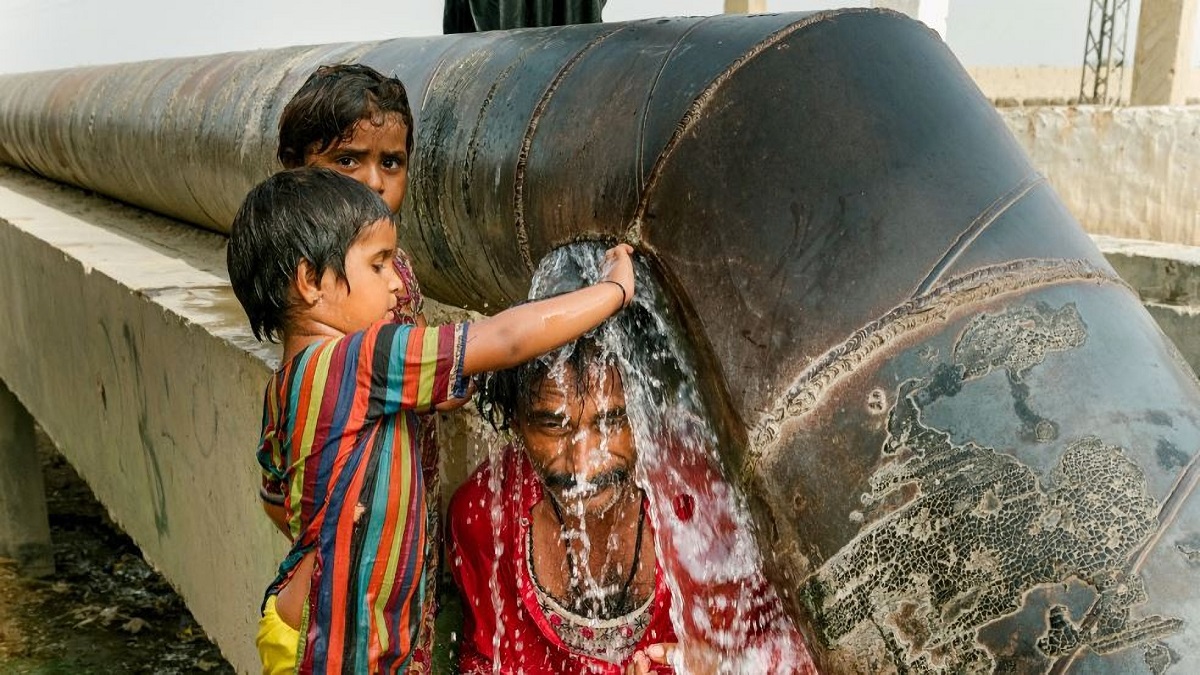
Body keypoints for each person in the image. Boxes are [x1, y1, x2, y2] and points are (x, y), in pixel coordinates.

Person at [226, 167, 635, 674]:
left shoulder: (286, 385)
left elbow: (275, 498)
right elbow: (505, 340)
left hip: (296, 622)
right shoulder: (364, 358)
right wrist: (613, 292)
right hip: (336, 649)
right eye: (378, 266)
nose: (398, 282)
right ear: (311, 282)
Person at [273, 63, 450, 668]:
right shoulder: (320, 284)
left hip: (401, 514)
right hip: (358, 552)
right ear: (298, 170)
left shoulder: (387, 266)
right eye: (348, 160)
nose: (374, 182)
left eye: (391, 163)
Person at [447, 336, 677, 674]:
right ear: (516, 421)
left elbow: (765, 646)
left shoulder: (696, 510)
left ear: (644, 414)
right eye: (554, 426)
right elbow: (482, 661)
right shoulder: (486, 516)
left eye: (611, 422)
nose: (584, 465)